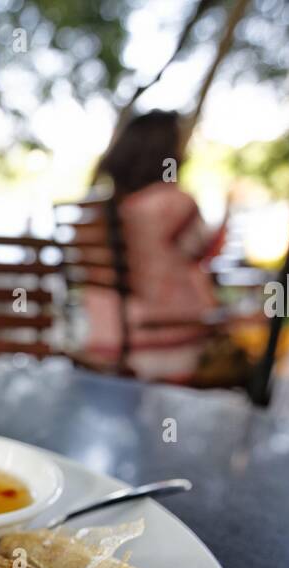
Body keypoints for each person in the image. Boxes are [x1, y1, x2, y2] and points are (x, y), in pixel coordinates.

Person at [75, 110, 236, 383]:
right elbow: (205, 253)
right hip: (165, 345)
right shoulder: (175, 203)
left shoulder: (103, 209)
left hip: (103, 340)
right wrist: (229, 213)